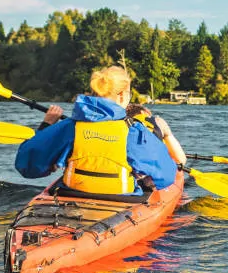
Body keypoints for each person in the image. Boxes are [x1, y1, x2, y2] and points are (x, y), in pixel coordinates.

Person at [14, 66, 179, 196]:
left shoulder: (70, 126)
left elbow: (26, 164)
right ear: (122, 96)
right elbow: (167, 175)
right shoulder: (134, 131)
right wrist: (143, 178)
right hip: (121, 200)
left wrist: (46, 125)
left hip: (72, 195)